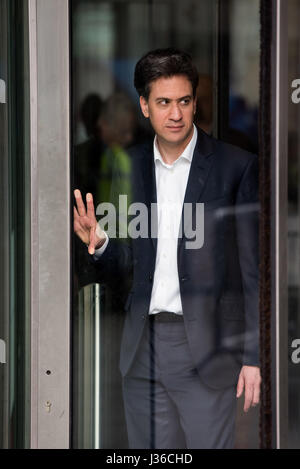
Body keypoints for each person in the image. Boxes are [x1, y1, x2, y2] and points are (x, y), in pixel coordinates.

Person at [74, 48, 261, 449]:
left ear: (194, 103)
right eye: (163, 102)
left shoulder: (235, 167)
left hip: (208, 352)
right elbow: (134, 264)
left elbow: (253, 272)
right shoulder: (131, 165)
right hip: (142, 349)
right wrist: (102, 243)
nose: (175, 114)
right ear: (145, 106)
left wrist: (253, 357)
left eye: (184, 101)